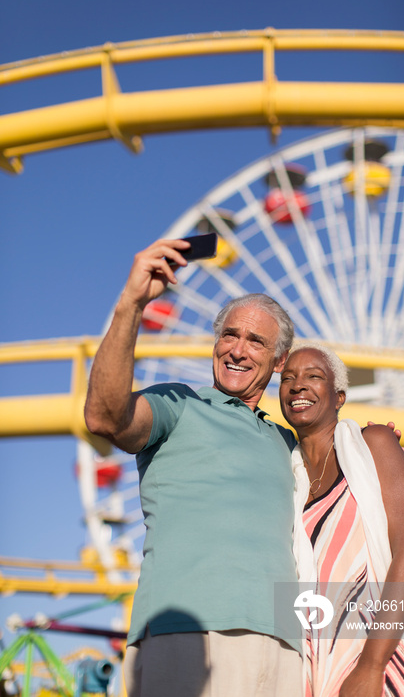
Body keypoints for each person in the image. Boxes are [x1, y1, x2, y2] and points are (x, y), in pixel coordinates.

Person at [84, 238, 304, 697]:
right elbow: (104, 418)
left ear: (280, 361)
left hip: (286, 642)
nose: (238, 350)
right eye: (229, 334)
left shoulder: (288, 443)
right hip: (187, 629)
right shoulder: (180, 404)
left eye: (256, 341)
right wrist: (132, 304)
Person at [279, 342, 404, 697]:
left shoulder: (375, 444)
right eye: (288, 378)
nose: (298, 386)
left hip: (377, 659)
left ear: (339, 397)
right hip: (310, 667)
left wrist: (371, 665)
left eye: (314, 376)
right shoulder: (285, 478)